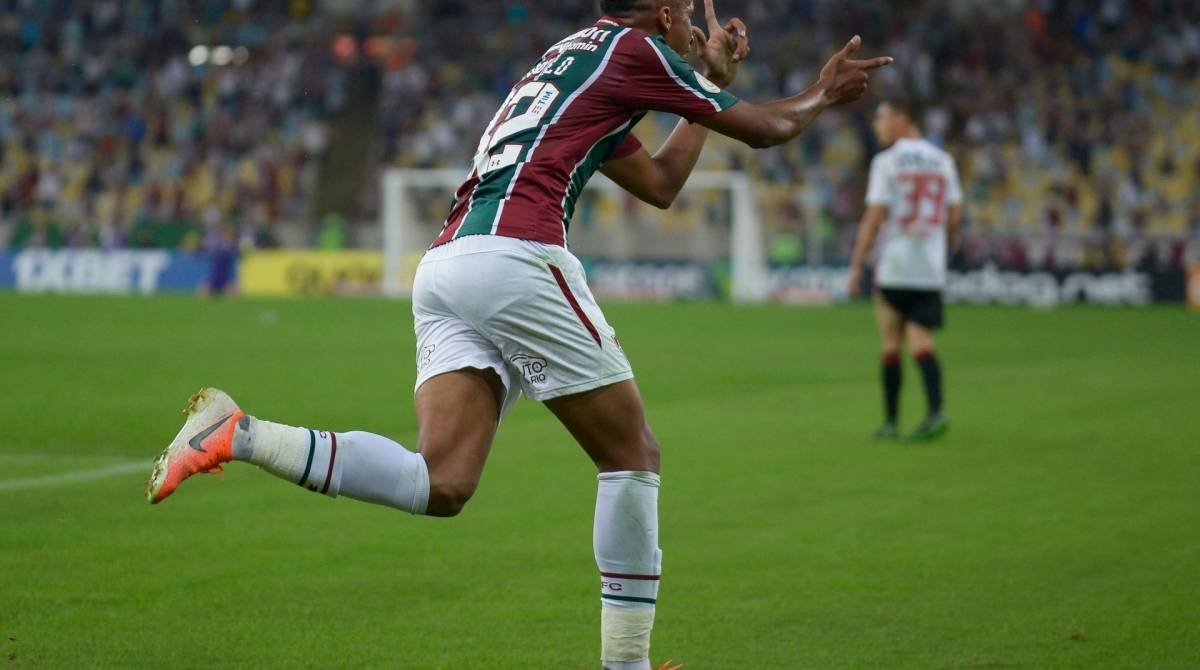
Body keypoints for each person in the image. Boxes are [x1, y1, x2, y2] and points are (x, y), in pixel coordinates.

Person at [146, 2, 891, 667]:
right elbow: (768, 129)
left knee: (442, 482)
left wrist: (700, 90)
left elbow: (661, 186)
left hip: (447, 266)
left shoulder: (572, 61)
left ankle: (239, 433)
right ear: (663, 16)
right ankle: (627, 666)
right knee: (632, 455)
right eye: (689, 16)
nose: (698, 28)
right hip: (516, 257)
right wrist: (822, 90)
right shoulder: (634, 51)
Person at [847, 98, 962, 441]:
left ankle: (890, 422)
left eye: (881, 118)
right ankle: (936, 412)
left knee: (890, 343)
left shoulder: (886, 162)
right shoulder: (943, 161)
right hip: (929, 267)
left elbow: (874, 217)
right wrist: (943, 250)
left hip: (894, 265)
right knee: (922, 342)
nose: (876, 125)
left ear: (902, 118)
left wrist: (856, 264)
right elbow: (955, 216)